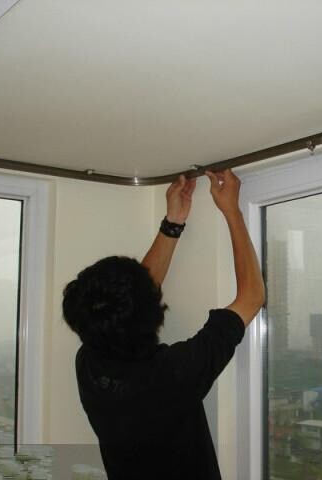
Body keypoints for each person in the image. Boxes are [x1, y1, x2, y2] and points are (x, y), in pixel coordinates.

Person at [62, 169, 265, 479]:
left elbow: (133, 297)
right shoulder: (173, 374)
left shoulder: (90, 364)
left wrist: (174, 222)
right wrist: (232, 211)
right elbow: (251, 298)